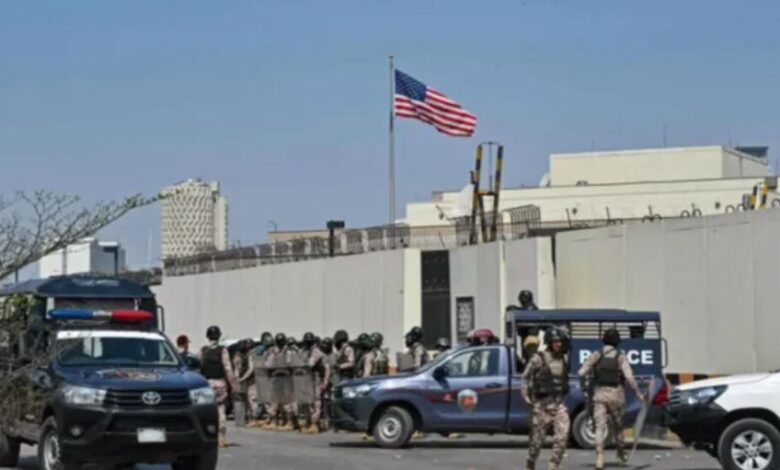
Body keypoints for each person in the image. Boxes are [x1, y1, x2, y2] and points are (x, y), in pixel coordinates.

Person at [578, 329, 645, 469]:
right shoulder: (620, 356)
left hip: (599, 394)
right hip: (616, 395)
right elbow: (629, 377)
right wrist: (639, 393)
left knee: (599, 427)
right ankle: (620, 454)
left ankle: (599, 457)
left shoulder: (597, 354)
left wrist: (584, 388)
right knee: (618, 427)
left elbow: (581, 372)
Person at [521, 327, 571, 470]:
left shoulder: (563, 358)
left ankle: (554, 464)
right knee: (537, 441)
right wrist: (525, 394)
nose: (559, 344)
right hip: (542, 406)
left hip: (559, 405)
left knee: (562, 436)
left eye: (560, 341)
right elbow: (525, 377)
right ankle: (530, 461)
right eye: (556, 341)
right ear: (549, 342)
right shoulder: (539, 358)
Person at [199, 326, 237, 448]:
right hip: (220, 384)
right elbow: (228, 368)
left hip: (206, 384)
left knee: (206, 410)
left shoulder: (203, 350)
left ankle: (207, 435)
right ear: (219, 336)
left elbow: (198, 366)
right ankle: (221, 437)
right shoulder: (222, 350)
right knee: (220, 408)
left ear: (207, 336)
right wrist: (233, 385)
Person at [264, 333, 297, 431]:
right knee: (274, 401)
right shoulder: (274, 351)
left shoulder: (288, 352)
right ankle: (276, 421)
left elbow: (291, 363)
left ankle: (289, 422)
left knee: (286, 401)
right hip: (277, 377)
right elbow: (268, 364)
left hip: (285, 378)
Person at [302, 332, 330, 434]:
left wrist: (325, 381)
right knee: (308, 400)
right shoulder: (305, 351)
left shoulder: (316, 352)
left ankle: (315, 423)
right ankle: (309, 421)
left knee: (316, 401)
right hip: (307, 379)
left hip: (315, 378)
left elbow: (310, 364)